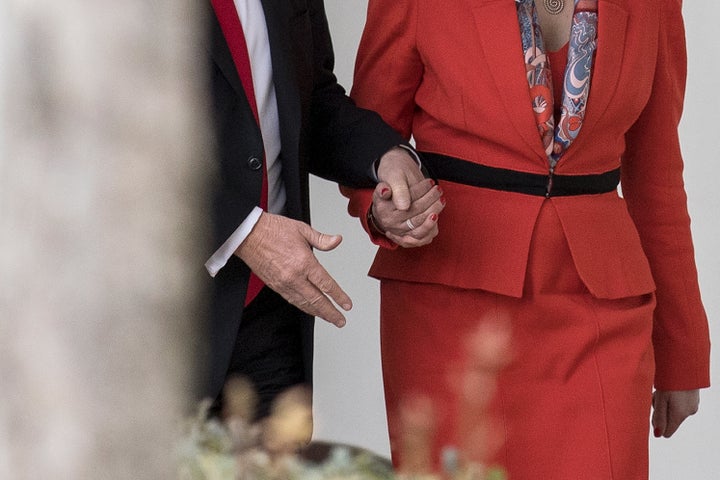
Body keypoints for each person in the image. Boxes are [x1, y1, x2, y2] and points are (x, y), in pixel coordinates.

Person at [341, 0, 711, 478]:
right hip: (450, 309)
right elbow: (365, 141)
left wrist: (682, 351)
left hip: (601, 311)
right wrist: (384, 205)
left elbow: (657, 179)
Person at [202, 0, 442, 419]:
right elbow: (103, 129)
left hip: (272, 316)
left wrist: (386, 157)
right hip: (155, 313)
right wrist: (244, 231)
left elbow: (312, 98)